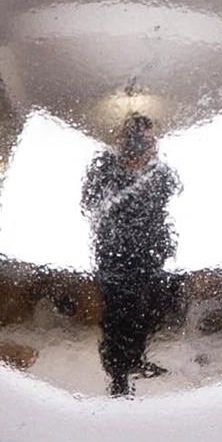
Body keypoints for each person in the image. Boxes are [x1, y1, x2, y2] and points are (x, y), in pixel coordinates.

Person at [81, 114, 180, 396]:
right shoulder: (104, 167)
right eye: (136, 138)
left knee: (144, 312)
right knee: (117, 315)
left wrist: (151, 164)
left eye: (148, 139)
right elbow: (91, 204)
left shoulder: (159, 171)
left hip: (152, 253)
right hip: (115, 254)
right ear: (123, 138)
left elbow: (172, 199)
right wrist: (129, 174)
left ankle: (136, 359)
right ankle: (118, 376)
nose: (142, 145)